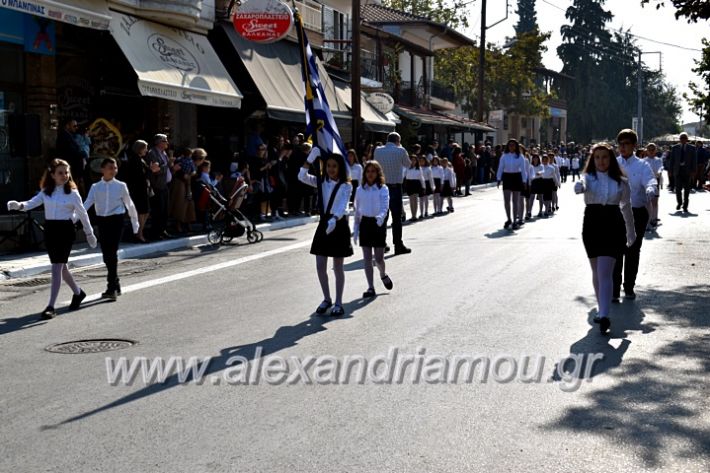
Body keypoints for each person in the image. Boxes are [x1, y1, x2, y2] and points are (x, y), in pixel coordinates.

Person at [7, 159, 97, 319]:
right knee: (62, 268)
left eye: (66, 172)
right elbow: (30, 204)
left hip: (65, 231)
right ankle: (78, 293)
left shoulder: (73, 194)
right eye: (60, 173)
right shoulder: (46, 191)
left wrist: (89, 233)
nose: (64, 175)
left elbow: (83, 214)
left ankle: (51, 306)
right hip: (50, 231)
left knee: (56, 267)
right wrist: (18, 205)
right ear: (52, 175)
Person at [575, 143, 635, 334]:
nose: (601, 161)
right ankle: (602, 309)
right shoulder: (588, 177)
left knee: (604, 271)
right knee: (596, 271)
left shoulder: (621, 182)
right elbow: (582, 185)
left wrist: (631, 231)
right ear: (593, 160)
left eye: (605, 157)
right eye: (597, 157)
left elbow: (626, 206)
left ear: (611, 159)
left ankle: (604, 315)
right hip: (592, 224)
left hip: (613, 224)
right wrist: (579, 186)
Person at [299, 148, 353, 316]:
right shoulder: (321, 181)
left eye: (334, 166)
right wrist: (310, 158)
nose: (330, 169)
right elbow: (301, 176)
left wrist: (334, 219)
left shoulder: (346, 185)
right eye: (328, 165)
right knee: (320, 265)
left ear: (340, 168)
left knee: (338, 267)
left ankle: (338, 302)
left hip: (338, 224)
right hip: (324, 224)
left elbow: (343, 205)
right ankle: (326, 298)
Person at [84, 158, 139, 301]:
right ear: (102, 169)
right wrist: (74, 218)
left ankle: (111, 288)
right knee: (106, 254)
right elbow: (87, 203)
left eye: (115, 168)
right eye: (110, 167)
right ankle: (116, 283)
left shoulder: (121, 186)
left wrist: (135, 222)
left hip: (116, 220)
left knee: (112, 253)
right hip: (102, 221)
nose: (113, 170)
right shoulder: (95, 187)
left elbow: (129, 204)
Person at [615, 129, 658, 301]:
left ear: (634, 146)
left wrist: (650, 188)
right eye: (620, 144)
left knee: (632, 251)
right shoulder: (612, 163)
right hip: (616, 213)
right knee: (616, 251)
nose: (623, 147)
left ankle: (629, 287)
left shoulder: (642, 165)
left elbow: (650, 179)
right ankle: (614, 288)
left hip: (636, 213)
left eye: (626, 144)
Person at [353, 161, 393, 298]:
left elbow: (384, 206)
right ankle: (370, 287)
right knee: (367, 258)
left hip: (378, 223)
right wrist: (356, 228)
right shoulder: (360, 190)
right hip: (365, 223)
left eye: (373, 171)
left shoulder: (383, 189)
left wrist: (381, 218)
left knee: (379, 258)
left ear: (378, 173)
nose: (370, 174)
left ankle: (382, 274)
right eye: (368, 171)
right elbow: (357, 210)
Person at [373, 132, 411, 255]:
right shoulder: (400, 150)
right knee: (396, 218)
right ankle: (398, 245)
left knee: (382, 217)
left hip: (381, 187)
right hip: (395, 187)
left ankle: (381, 244)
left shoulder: (378, 150)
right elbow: (408, 164)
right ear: (398, 141)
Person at [122, 140, 151, 242]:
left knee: (144, 212)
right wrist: (151, 170)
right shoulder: (135, 159)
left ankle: (139, 232)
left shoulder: (139, 159)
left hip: (141, 189)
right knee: (141, 212)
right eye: (145, 148)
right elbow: (138, 175)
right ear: (140, 148)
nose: (146, 150)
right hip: (138, 190)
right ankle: (139, 234)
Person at [496, 139, 528, 230]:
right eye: (510, 145)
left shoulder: (520, 156)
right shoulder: (504, 156)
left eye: (513, 145)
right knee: (506, 200)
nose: (511, 147)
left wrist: (524, 181)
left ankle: (514, 221)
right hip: (507, 177)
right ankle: (509, 219)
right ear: (507, 146)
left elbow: (523, 169)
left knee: (515, 201)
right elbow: (501, 167)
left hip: (517, 177)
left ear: (516, 146)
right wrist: (498, 178)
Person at [147, 134, 173, 240]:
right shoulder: (152, 153)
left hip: (165, 185)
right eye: (164, 141)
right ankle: (156, 232)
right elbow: (155, 170)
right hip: (157, 185)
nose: (167, 142)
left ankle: (163, 230)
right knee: (158, 210)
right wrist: (167, 165)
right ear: (159, 142)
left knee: (165, 210)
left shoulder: (164, 153)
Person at [668, 132, 697, 213]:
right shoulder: (675, 148)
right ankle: (679, 202)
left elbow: (694, 160)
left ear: (687, 139)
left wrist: (694, 171)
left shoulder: (692, 148)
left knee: (687, 190)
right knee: (677, 189)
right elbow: (672, 160)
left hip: (687, 171)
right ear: (679, 139)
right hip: (678, 171)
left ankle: (685, 206)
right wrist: (670, 171)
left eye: (684, 138)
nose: (683, 139)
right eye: (681, 138)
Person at [56, 119, 86, 194]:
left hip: (73, 165)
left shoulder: (69, 135)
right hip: (71, 165)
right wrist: (82, 153)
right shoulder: (64, 136)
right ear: (67, 126)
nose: (76, 128)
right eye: (74, 126)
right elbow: (70, 151)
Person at [643, 143, 663, 230]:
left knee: (654, 201)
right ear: (646, 151)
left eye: (653, 149)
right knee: (647, 202)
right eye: (649, 149)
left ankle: (654, 218)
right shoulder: (643, 161)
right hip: (645, 183)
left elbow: (660, 168)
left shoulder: (658, 160)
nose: (651, 151)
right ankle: (647, 219)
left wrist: (658, 172)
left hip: (655, 181)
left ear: (655, 151)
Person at [404, 155, 425, 221]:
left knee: (415, 200)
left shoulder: (419, 168)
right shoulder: (407, 168)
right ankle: (412, 215)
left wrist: (423, 186)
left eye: (414, 160)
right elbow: (403, 175)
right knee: (411, 200)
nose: (413, 161)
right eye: (411, 160)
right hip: (409, 183)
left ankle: (414, 216)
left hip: (416, 183)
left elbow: (421, 178)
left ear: (416, 161)